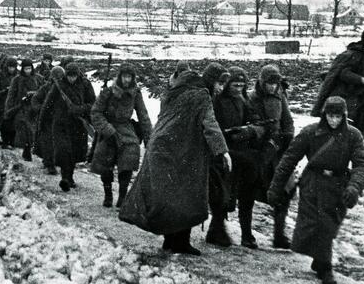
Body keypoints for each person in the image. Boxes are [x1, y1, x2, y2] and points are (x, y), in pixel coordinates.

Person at [119, 63, 232, 256]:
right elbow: (209, 123)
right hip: (181, 152)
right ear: (211, 80)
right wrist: (222, 151)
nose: (221, 88)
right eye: (220, 83)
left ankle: (171, 240)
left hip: (163, 146)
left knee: (170, 196)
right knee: (186, 196)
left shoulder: (179, 88)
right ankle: (179, 242)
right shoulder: (201, 95)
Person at [267, 96, 364, 284]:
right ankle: (326, 267)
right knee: (318, 224)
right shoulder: (310, 132)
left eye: (338, 116)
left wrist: (354, 186)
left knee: (330, 226)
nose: (334, 120)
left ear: (344, 116)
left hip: (338, 185)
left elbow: (363, 163)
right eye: (330, 115)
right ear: (324, 115)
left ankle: (319, 258)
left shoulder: (353, 135)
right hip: (313, 183)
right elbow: (289, 159)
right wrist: (276, 186)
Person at [243, 64, 295, 249]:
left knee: (285, 191)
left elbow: (288, 122)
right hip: (259, 153)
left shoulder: (281, 97)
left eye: (275, 83)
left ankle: (279, 235)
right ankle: (246, 234)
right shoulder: (251, 98)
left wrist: (288, 137)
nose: (272, 87)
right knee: (249, 192)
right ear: (261, 82)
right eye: (269, 83)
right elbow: (250, 123)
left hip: (278, 152)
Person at [90, 63, 153, 208]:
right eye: (124, 76)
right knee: (105, 162)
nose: (126, 80)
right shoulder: (108, 92)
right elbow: (96, 112)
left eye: (129, 77)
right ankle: (108, 195)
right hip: (109, 128)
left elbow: (143, 116)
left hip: (126, 128)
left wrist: (149, 139)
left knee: (129, 157)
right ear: (119, 77)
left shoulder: (135, 93)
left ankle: (123, 197)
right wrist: (107, 129)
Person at [207, 66, 254, 247]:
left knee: (235, 192)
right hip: (222, 151)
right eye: (235, 85)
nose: (238, 89)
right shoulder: (217, 101)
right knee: (220, 192)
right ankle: (217, 229)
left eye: (242, 85)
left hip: (239, 151)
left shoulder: (243, 100)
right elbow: (213, 125)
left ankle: (218, 229)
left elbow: (252, 120)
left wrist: (248, 131)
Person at [311, 29, 364, 129]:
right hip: (351, 90)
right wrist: (361, 79)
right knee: (351, 111)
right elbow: (343, 73)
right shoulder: (353, 54)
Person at [36, 62, 96, 192]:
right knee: (63, 151)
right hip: (60, 124)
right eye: (69, 76)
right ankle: (65, 178)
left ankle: (70, 177)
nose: (71, 79)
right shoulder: (58, 86)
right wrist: (41, 123)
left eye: (74, 76)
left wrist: (80, 109)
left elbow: (92, 103)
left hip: (78, 125)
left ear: (78, 75)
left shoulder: (85, 85)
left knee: (74, 152)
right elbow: (47, 104)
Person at [6, 59, 44, 161]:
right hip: (21, 108)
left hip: (34, 109)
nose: (28, 71)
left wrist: (34, 95)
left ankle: (30, 149)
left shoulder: (38, 78)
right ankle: (26, 150)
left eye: (29, 68)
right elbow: (11, 95)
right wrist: (9, 108)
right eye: (26, 68)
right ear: (22, 69)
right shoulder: (17, 80)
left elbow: (43, 92)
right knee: (24, 130)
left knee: (33, 131)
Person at [32, 67, 64, 175]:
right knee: (47, 142)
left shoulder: (65, 89)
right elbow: (35, 99)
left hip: (60, 120)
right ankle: (49, 164)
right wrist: (42, 109)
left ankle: (53, 161)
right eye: (57, 77)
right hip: (47, 120)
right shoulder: (46, 88)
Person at [0, 57, 19, 147]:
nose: (11, 69)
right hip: (0, 99)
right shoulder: (0, 74)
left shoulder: (17, 75)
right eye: (10, 67)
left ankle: (9, 140)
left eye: (13, 67)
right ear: (7, 67)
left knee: (9, 121)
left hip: (12, 101)